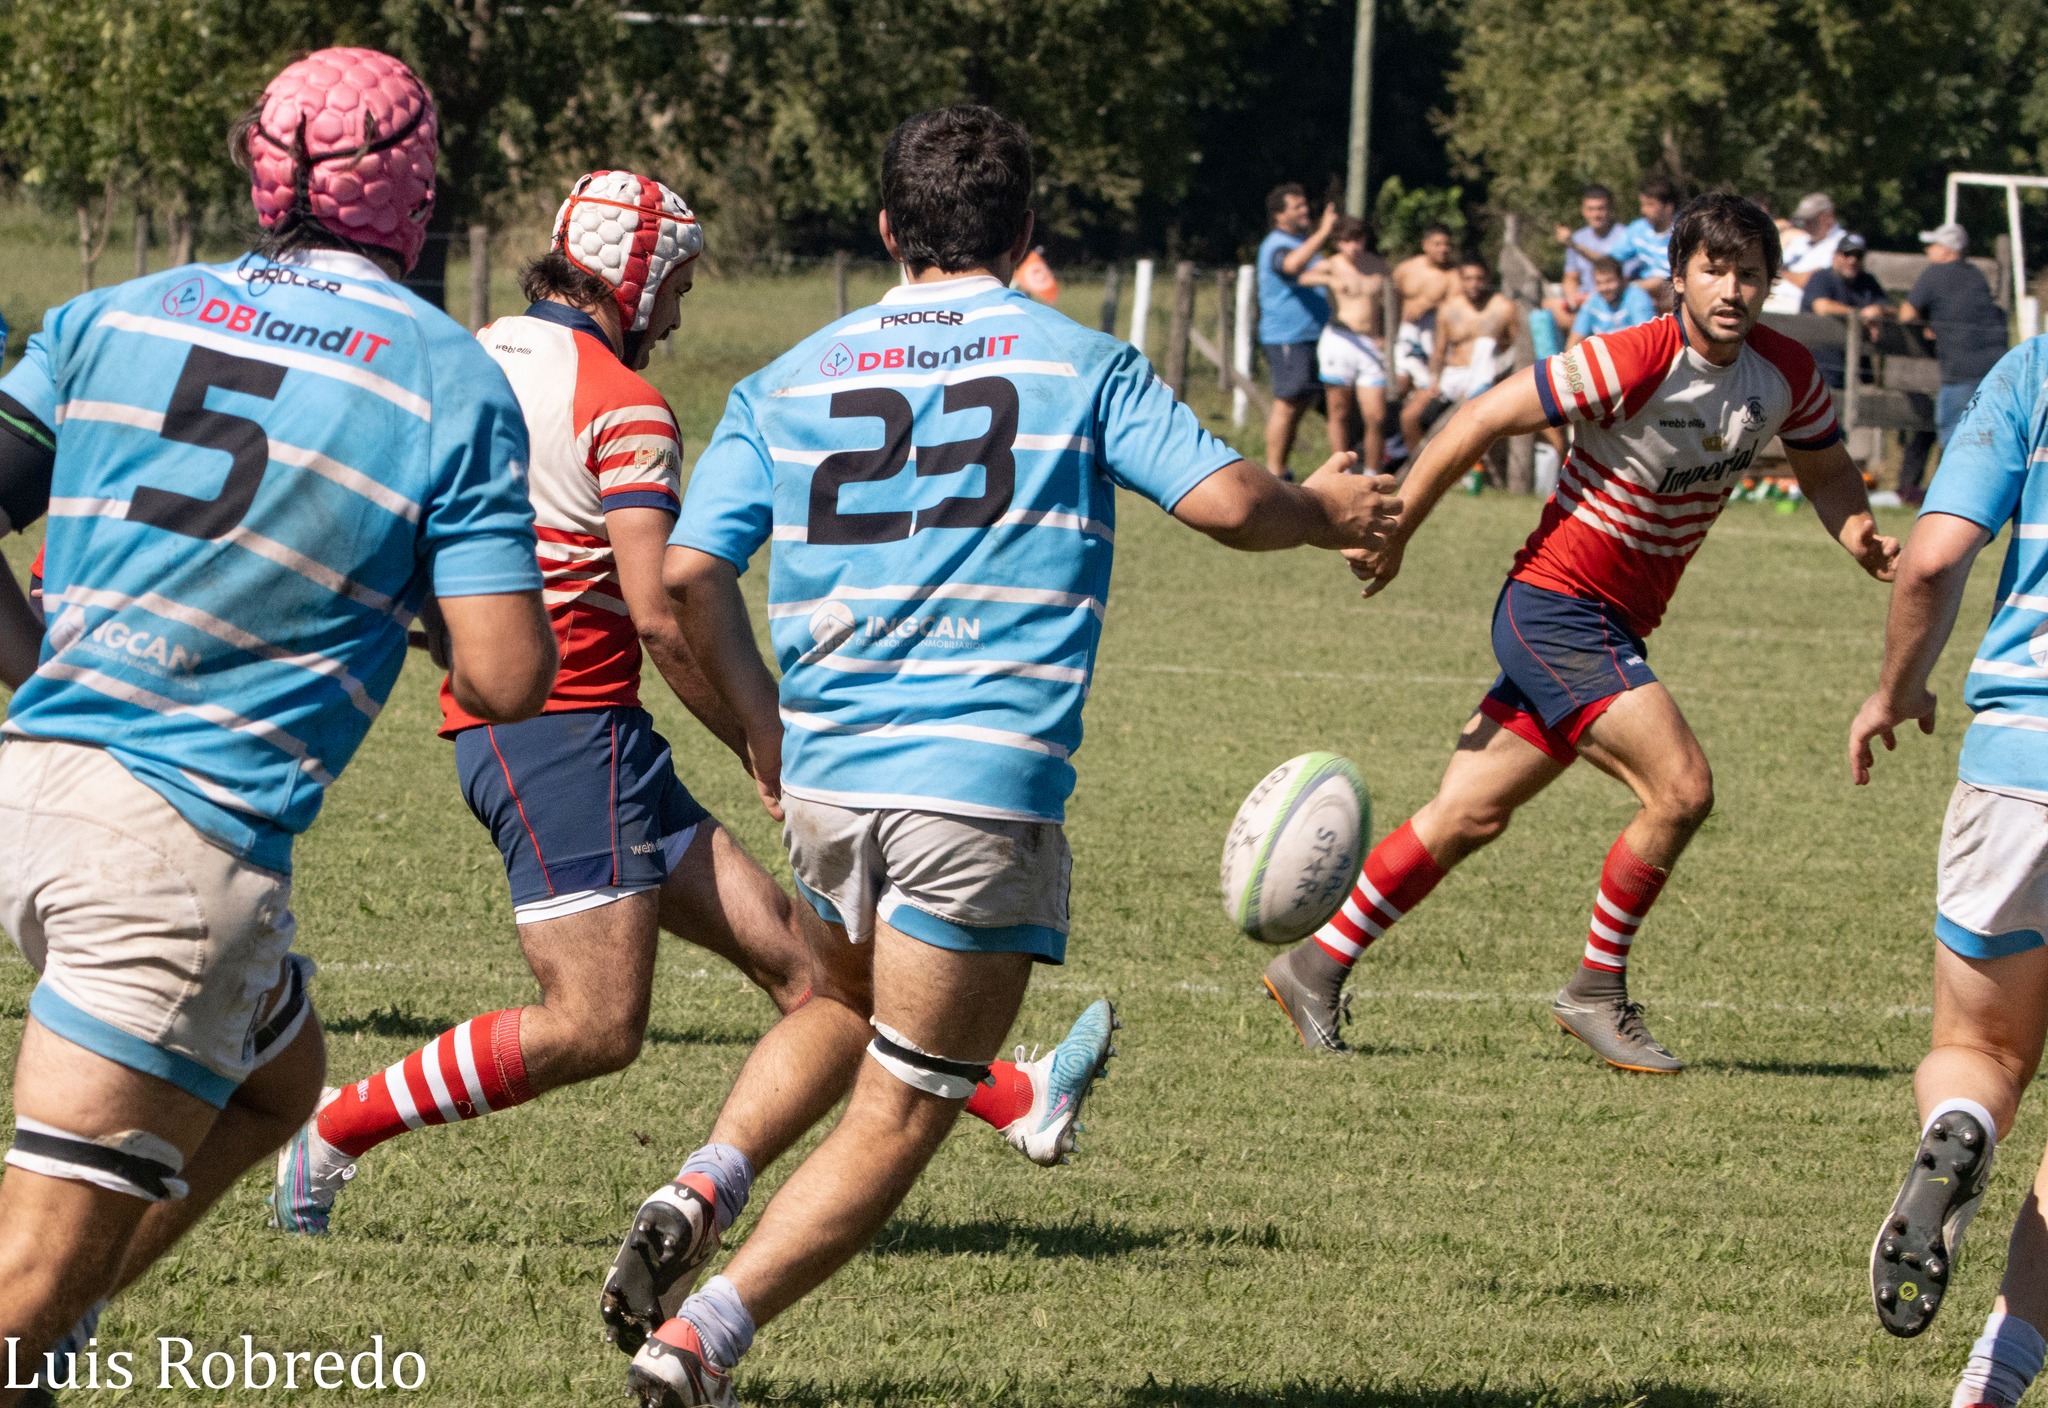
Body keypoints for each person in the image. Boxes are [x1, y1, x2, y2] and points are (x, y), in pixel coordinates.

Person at [607, 105, 1399, 1407]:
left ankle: (697, 1186)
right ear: (1028, 232)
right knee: (911, 1102)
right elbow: (1225, 501)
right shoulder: (1080, 361)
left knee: (841, 1009)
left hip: (831, 789)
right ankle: (702, 1344)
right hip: (975, 790)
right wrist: (1331, 511)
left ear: (884, 231)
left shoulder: (786, 378)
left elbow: (688, 578)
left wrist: (768, 729)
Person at [0, 47, 560, 1398]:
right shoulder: (447, 378)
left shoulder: (107, 316)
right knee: (20, 1278)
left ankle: (57, 1343)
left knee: (277, 1080)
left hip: (31, 792)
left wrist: (39, 674)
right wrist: (409, 587)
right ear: (418, 188)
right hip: (179, 854)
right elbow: (506, 675)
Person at [1261, 193, 1898, 1068]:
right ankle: (1596, 988)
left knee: (1468, 813)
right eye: (1714, 269)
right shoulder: (1633, 357)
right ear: (1678, 278)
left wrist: (1858, 531)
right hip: (1559, 607)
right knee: (1681, 789)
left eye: (1750, 273)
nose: (1732, 289)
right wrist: (1400, 523)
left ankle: (1314, 963)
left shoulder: (1783, 372)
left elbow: (1827, 471)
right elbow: (1484, 414)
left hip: (1610, 621)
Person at [1847, 333, 2048, 1405]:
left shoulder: (2033, 371)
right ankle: (1993, 1377)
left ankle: (1952, 1131)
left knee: (1976, 1051)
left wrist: (1894, 686)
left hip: (2013, 766)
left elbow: (1929, 556)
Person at [1902, 222, 2010, 451]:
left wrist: (1926, 321)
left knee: (1953, 440)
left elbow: (1906, 314)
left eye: (1933, 245)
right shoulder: (1975, 274)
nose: (1928, 250)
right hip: (1995, 368)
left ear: (1946, 249)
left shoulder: (1935, 274)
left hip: (1960, 372)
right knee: (1987, 442)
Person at [1399, 255, 1519, 456]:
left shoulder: (1504, 307)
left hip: (1488, 375)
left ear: (1487, 278)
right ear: (1461, 280)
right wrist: (1435, 380)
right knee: (1409, 417)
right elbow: (1439, 352)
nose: (1474, 284)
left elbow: (1517, 348)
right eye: (1469, 279)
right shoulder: (1449, 309)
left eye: (1479, 279)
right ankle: (1419, 467)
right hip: (1453, 373)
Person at [1256, 184, 1336, 478]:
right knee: (1288, 402)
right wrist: (1324, 232)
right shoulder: (1277, 245)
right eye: (1297, 207)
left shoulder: (1302, 245)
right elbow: (1290, 265)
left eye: (1306, 205)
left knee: (1301, 402)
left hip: (1315, 335)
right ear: (1279, 215)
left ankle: (1284, 469)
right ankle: (1274, 473)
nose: (1306, 211)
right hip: (1287, 336)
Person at [1301, 216, 1390, 470]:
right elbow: (1304, 277)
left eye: (1358, 239)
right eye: (1347, 240)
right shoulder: (1330, 265)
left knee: (1377, 415)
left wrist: (1385, 333)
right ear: (1339, 242)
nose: (1354, 246)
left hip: (1370, 342)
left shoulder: (1378, 267)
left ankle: (1373, 473)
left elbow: (1392, 301)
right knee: (1339, 411)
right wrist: (1328, 280)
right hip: (1340, 340)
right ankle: (1342, 471)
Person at [1800, 232, 1890, 390]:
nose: (1852, 260)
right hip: (1820, 368)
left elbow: (1890, 308)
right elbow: (1821, 306)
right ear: (1836, 255)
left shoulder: (1867, 282)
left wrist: (1878, 311)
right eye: (1847, 254)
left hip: (1857, 370)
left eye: (1858, 255)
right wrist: (1860, 315)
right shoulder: (1822, 278)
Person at [1389, 224, 1460, 407]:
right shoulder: (1406, 269)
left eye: (1446, 244)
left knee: (1426, 385)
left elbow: (1455, 306)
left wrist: (1430, 304)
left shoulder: (1453, 275)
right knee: (1399, 384)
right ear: (1425, 245)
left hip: (1433, 334)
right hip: (1405, 332)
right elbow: (1391, 300)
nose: (1443, 249)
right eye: (1437, 244)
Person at [1550, 183, 1632, 324]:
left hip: (1616, 301)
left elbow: (1609, 264)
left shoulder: (1625, 235)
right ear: (1583, 210)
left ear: (1611, 209)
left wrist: (1573, 245)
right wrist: (1572, 299)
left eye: (1601, 209)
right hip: (1585, 302)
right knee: (1546, 309)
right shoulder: (1579, 237)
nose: (1596, 214)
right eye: (1591, 209)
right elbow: (1571, 277)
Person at [1613, 176, 1680, 308]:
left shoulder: (1684, 230)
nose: (1643, 210)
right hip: (1644, 293)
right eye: (1642, 205)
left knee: (1657, 282)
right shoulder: (1638, 229)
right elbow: (1611, 259)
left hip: (1676, 288)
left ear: (1668, 207)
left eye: (1650, 205)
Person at [1567, 255, 1657, 348]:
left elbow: (1646, 338)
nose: (1604, 288)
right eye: (1599, 283)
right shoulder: (1593, 302)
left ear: (1622, 280)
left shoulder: (1637, 296)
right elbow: (1573, 342)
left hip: (1633, 352)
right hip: (1606, 356)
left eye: (1609, 281)